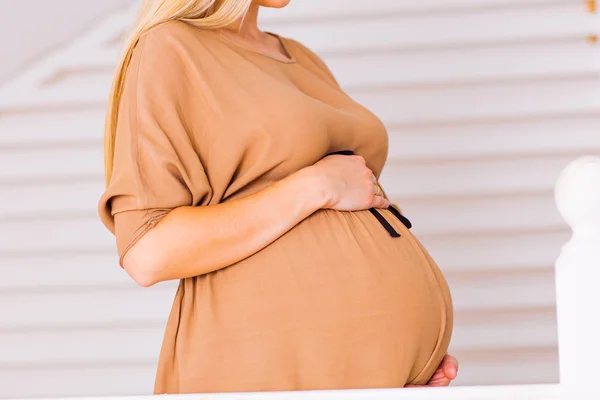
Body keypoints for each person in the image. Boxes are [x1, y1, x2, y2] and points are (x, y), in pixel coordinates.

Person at [98, 0, 457, 394]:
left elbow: (351, 200)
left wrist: (408, 344)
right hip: (267, 366)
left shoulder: (301, 58)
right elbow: (148, 252)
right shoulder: (169, 48)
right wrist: (313, 187)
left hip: (379, 375)